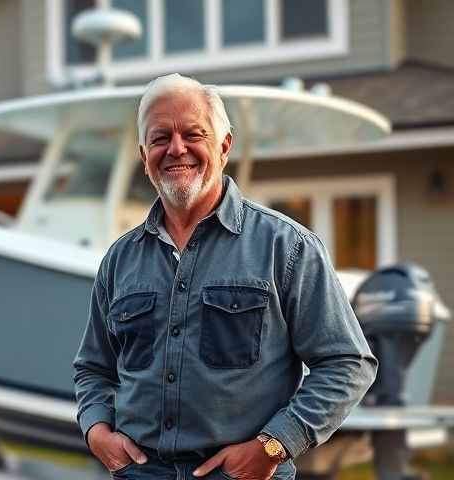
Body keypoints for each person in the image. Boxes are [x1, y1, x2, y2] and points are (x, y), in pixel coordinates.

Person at [72, 74, 378, 480]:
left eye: (193, 134)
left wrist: (275, 444)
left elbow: (347, 362)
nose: (176, 148)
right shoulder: (119, 259)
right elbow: (93, 367)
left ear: (224, 146)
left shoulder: (285, 247)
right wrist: (96, 431)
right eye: (160, 138)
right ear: (144, 156)